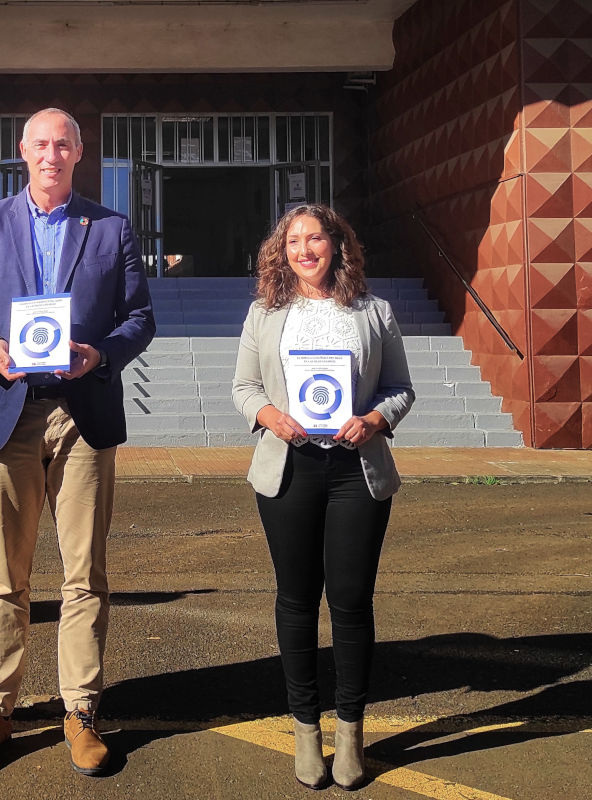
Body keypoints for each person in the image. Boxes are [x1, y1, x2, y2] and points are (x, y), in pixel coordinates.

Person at [0, 108, 155, 778]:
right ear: (21, 151)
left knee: (84, 571)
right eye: (41, 143)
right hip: (8, 413)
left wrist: (101, 354)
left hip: (81, 413)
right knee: (5, 574)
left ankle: (80, 710)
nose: (52, 153)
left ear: (80, 152)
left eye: (64, 143)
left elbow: (140, 316)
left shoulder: (111, 226)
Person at [231, 204, 414, 790]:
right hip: (290, 468)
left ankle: (351, 733)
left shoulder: (374, 311)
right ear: (279, 252)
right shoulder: (265, 313)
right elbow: (243, 387)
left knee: (353, 603)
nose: (304, 250)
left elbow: (400, 388)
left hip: (355, 471)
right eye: (293, 241)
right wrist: (270, 417)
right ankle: (306, 730)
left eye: (315, 238)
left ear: (337, 244)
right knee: (297, 600)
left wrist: (376, 420)